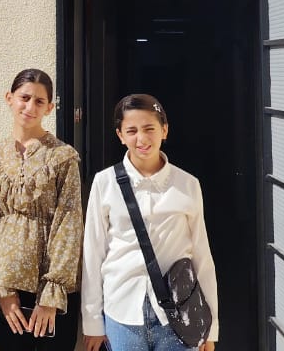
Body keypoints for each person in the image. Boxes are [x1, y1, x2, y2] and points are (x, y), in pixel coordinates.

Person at [81, 94, 218, 351]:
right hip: (121, 313)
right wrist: (92, 322)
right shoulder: (104, 182)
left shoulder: (188, 184)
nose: (141, 139)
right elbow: (93, 254)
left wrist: (210, 330)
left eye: (149, 129)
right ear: (120, 135)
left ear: (164, 130)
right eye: (131, 131)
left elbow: (202, 255)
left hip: (178, 316)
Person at [0, 70, 82, 350]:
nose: (30, 107)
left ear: (50, 107)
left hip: (51, 291)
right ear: (9, 98)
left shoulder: (62, 157)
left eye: (39, 101)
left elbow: (69, 224)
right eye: (24, 98)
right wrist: (2, 290)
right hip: (8, 289)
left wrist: (50, 296)